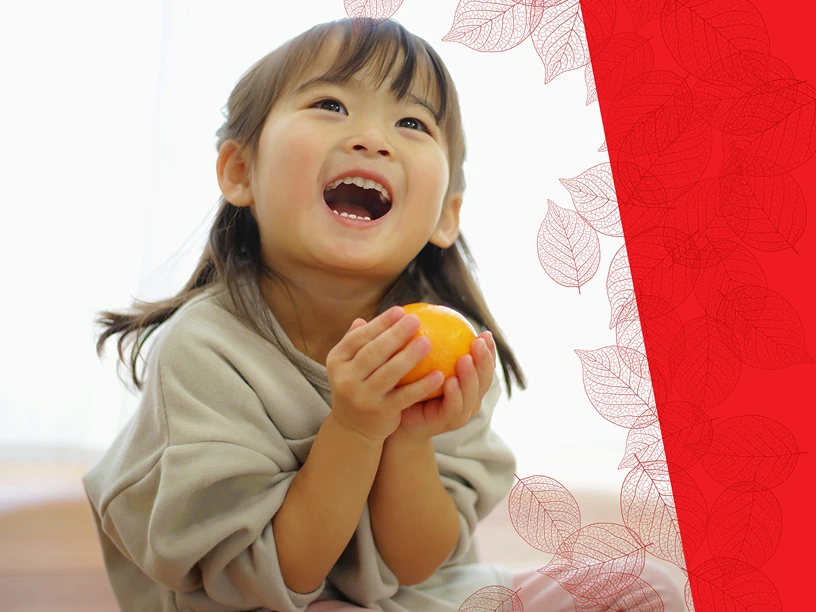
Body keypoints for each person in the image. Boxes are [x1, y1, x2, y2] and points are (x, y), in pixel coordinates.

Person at [83, 16, 684, 612]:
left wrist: (409, 437)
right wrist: (356, 428)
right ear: (241, 171)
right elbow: (276, 574)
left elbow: (416, 565)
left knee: (647, 587)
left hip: (416, 600)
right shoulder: (205, 349)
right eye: (330, 105)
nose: (373, 139)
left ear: (447, 216)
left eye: (411, 122)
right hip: (264, 603)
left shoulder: (443, 349)